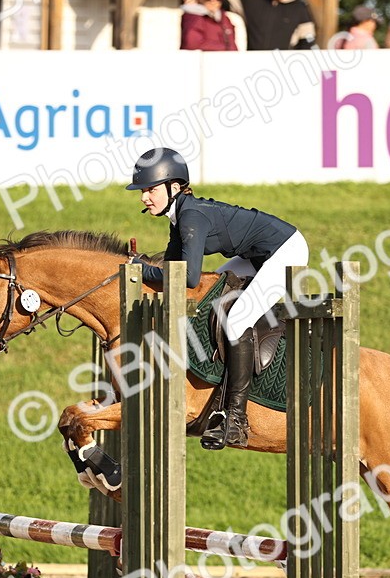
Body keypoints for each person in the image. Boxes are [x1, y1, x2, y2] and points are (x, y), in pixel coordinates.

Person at [125, 147, 309, 450]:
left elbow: (186, 278)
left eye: (150, 189)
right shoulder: (179, 217)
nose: (144, 197)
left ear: (173, 187)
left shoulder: (190, 217)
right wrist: (143, 268)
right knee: (209, 296)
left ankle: (236, 420)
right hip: (255, 255)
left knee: (236, 320)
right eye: (142, 191)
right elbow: (175, 275)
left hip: (285, 251)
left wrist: (140, 268)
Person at [231, 0, 316, 50]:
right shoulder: (251, 0)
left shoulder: (299, 8)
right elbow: (221, 0)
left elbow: (307, 39)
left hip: (281, 64)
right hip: (253, 62)